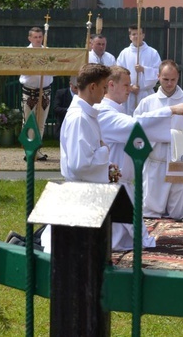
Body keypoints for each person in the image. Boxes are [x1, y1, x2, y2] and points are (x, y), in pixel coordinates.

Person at [96, 65, 183, 249]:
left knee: (131, 232)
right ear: (111, 85)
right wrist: (169, 110)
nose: (130, 89)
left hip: (124, 179)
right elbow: (137, 126)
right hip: (115, 182)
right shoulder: (105, 113)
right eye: (126, 85)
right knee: (123, 234)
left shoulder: (114, 111)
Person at [40, 63, 112, 253]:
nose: (105, 92)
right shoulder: (79, 118)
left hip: (87, 189)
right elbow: (79, 165)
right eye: (104, 87)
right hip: (82, 193)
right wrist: (104, 150)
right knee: (72, 247)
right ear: (92, 87)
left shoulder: (85, 114)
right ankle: (25, 244)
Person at [134, 60, 183, 219]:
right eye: (165, 79)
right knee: (151, 204)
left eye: (173, 80)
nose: (169, 83)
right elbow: (137, 127)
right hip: (157, 157)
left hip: (179, 158)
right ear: (158, 76)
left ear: (178, 78)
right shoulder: (148, 102)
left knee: (178, 206)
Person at [19, 26, 53, 160]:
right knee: (28, 121)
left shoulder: (48, 52)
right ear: (30, 38)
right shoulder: (25, 53)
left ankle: (37, 150)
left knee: (41, 123)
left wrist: (47, 68)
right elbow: (24, 70)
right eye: (35, 37)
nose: (38, 40)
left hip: (45, 91)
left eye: (40, 37)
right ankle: (28, 150)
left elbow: (55, 71)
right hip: (30, 92)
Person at [116, 25, 161, 115]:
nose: (137, 36)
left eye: (139, 34)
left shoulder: (152, 52)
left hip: (146, 94)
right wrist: (130, 87)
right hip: (129, 94)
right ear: (130, 37)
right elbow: (118, 73)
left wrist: (144, 70)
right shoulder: (124, 53)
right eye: (134, 34)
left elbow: (158, 72)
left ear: (143, 35)